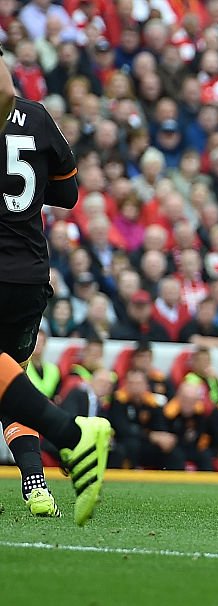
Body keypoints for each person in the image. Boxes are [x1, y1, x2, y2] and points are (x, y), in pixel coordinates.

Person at [0, 58, 111, 524]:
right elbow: (67, 194)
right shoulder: (38, 116)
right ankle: (35, 481)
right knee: (8, 380)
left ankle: (72, 436)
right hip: (27, 272)